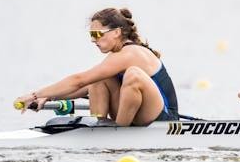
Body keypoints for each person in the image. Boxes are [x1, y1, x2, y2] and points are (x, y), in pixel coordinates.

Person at [14, 8, 179, 125]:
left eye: (97, 34)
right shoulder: (115, 56)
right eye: (91, 35)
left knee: (133, 74)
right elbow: (85, 85)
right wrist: (49, 97)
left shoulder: (131, 53)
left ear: (116, 32)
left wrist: (33, 95)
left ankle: (119, 135)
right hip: (137, 114)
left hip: (163, 117)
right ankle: (98, 126)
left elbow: (78, 80)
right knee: (97, 79)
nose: (93, 40)